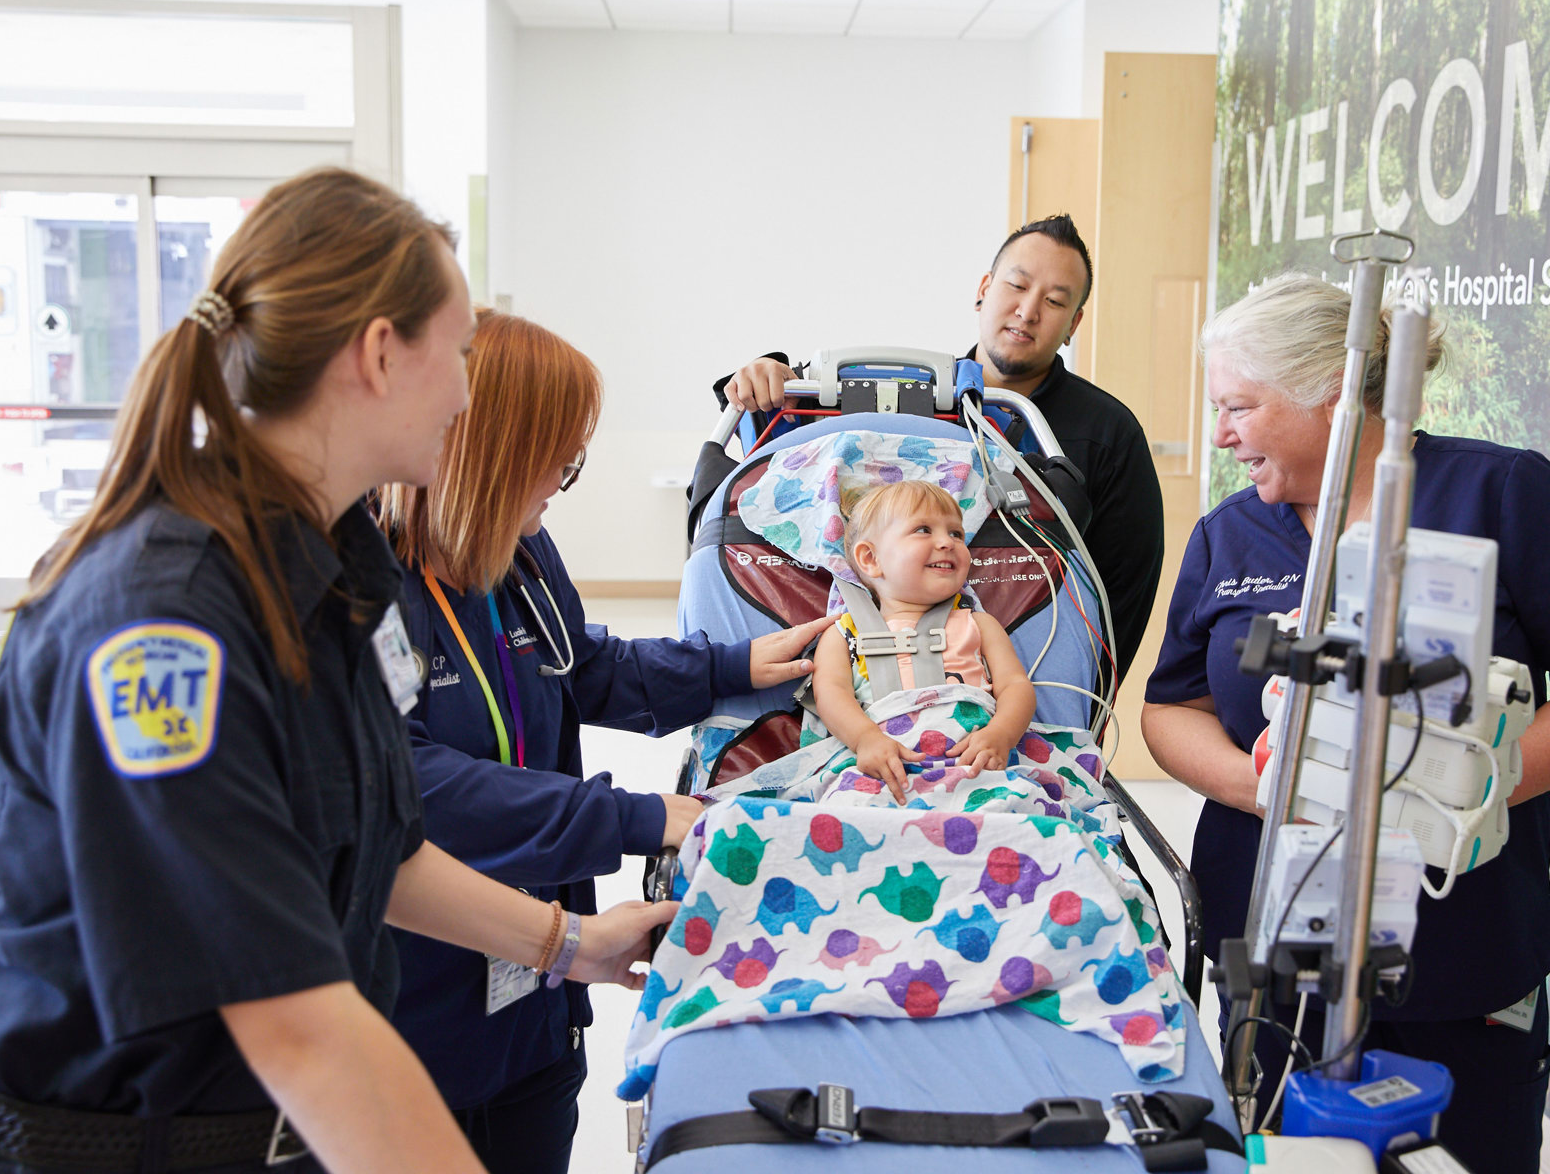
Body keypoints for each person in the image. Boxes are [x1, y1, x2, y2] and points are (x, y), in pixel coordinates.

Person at [0, 168, 675, 1174]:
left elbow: (383, 857)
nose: (468, 390)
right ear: (381, 353)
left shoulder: (328, 571)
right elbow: (293, 1022)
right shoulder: (167, 622)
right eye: (461, 351)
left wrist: (573, 943)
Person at [1140, 274, 1550, 1174]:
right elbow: (1169, 707)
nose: (1220, 433)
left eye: (1240, 407)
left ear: (1333, 395)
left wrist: (1466, 788)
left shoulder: (1502, 496)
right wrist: (1261, 789)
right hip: (1273, 940)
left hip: (1458, 942)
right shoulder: (1232, 535)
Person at [376, 311, 834, 1174]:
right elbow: (413, 788)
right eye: (559, 455)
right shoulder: (368, 586)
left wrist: (734, 666)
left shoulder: (520, 554)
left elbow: (585, 669)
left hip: (535, 998)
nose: (564, 477)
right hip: (414, 1008)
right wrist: (639, 818)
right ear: (491, 445)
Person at [718, 214, 1164, 684]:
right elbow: (805, 451)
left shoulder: (1108, 434)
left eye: (1054, 302)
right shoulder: (913, 399)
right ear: (984, 289)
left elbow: (1119, 597)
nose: (1028, 311)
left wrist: (1082, 697)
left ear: (1073, 324)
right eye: (1016, 286)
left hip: (1028, 677)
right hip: (874, 665)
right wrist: (768, 376)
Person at [812, 480, 1036, 803]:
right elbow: (830, 694)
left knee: (1020, 802)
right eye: (923, 530)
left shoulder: (979, 624)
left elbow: (1016, 686)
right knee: (847, 804)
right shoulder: (844, 633)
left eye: (956, 534)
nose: (947, 542)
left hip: (976, 765)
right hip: (887, 768)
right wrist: (865, 739)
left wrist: (1001, 732)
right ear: (871, 559)